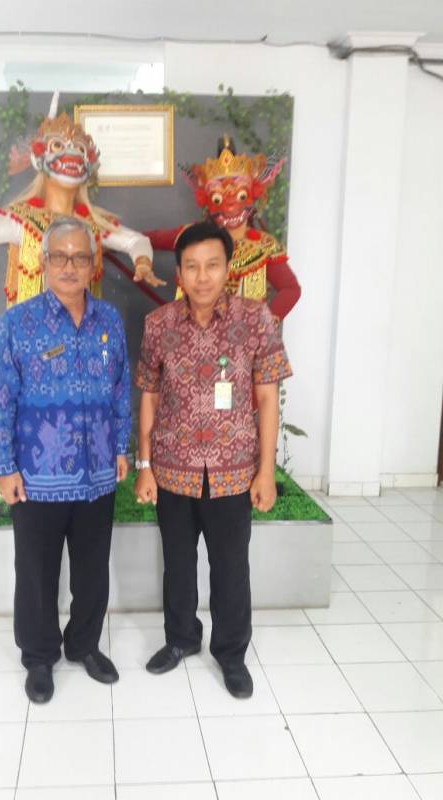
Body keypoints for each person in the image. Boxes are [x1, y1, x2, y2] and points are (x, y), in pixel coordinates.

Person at [134, 221, 292, 698]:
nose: (202, 277)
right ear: (179, 272)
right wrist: (145, 466)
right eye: (192, 266)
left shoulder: (257, 319)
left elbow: (267, 399)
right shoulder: (158, 325)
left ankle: (231, 653)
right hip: (173, 470)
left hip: (233, 472)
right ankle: (181, 639)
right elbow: (149, 397)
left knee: (231, 567)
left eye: (212, 265)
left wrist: (265, 471)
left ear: (228, 268)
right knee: (178, 565)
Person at [0, 215, 130, 703]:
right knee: (36, 573)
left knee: (92, 570)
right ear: (44, 262)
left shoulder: (109, 321)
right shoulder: (17, 324)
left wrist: (121, 446)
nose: (70, 266)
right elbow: (0, 400)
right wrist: (5, 467)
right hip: (36, 478)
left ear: (93, 264)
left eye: (80, 257)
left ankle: (84, 645)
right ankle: (39, 656)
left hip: (97, 475)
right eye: (60, 257)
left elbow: (121, 389)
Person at [0, 93, 164, 307]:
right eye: (58, 146)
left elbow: (136, 241)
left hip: (81, 323)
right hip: (33, 324)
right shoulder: (24, 219)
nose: (71, 154)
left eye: (80, 149)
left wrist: (142, 263)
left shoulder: (92, 223)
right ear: (40, 159)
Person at [146, 136, 300, 319]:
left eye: (241, 197)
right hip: (193, 330)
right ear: (208, 202)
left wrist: (265, 323)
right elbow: (150, 239)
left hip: (245, 333)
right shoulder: (192, 236)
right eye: (218, 199)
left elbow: (290, 289)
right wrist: (120, 239)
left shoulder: (264, 246)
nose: (230, 206)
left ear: (252, 196)